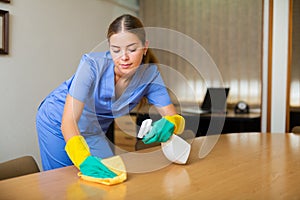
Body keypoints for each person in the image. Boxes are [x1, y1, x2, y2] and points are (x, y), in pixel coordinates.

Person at [36, 14, 185, 182]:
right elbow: (68, 121)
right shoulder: (91, 65)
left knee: (114, 177)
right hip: (57, 120)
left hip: (93, 129)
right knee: (63, 181)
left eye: (132, 49)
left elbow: (172, 115)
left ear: (145, 47)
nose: (124, 57)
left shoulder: (150, 75)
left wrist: (171, 123)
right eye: (116, 50)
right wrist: (82, 159)